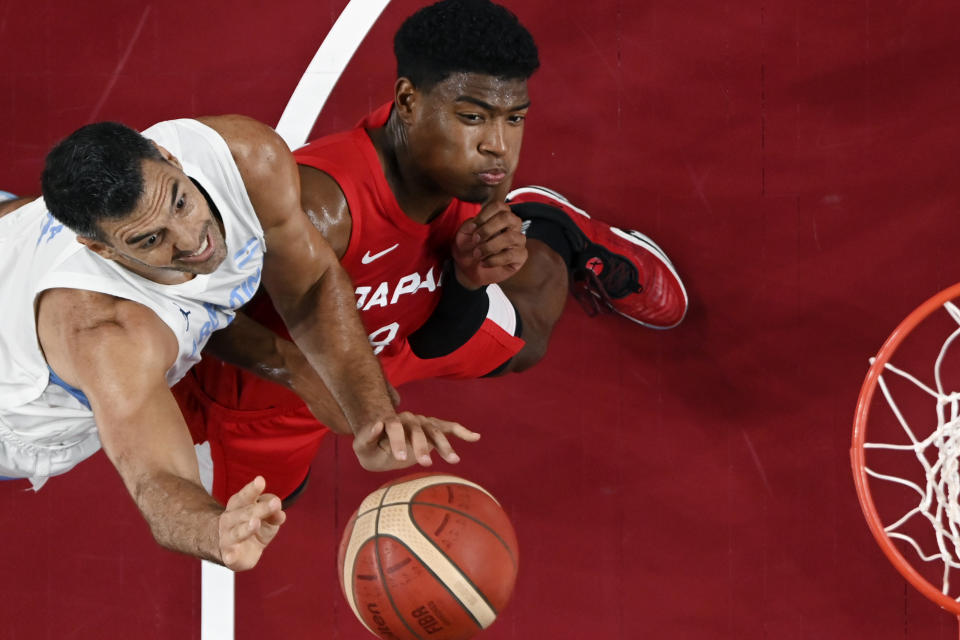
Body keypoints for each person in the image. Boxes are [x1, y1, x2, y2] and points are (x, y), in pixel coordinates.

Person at [172, 0, 688, 505]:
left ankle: (550, 228)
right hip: (265, 391)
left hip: (393, 335)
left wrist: (470, 281)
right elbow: (187, 301)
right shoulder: (319, 208)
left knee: (524, 345)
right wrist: (304, 376)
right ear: (408, 101)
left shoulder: (472, 167)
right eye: (473, 117)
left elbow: (441, 342)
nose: (499, 147)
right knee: (250, 506)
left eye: (515, 119)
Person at [0, 114, 478, 571]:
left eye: (180, 202)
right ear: (100, 249)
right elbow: (156, 477)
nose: (193, 242)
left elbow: (310, 287)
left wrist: (375, 418)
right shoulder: (112, 337)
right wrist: (214, 531)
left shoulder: (243, 158)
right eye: (151, 240)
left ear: (168, 156)